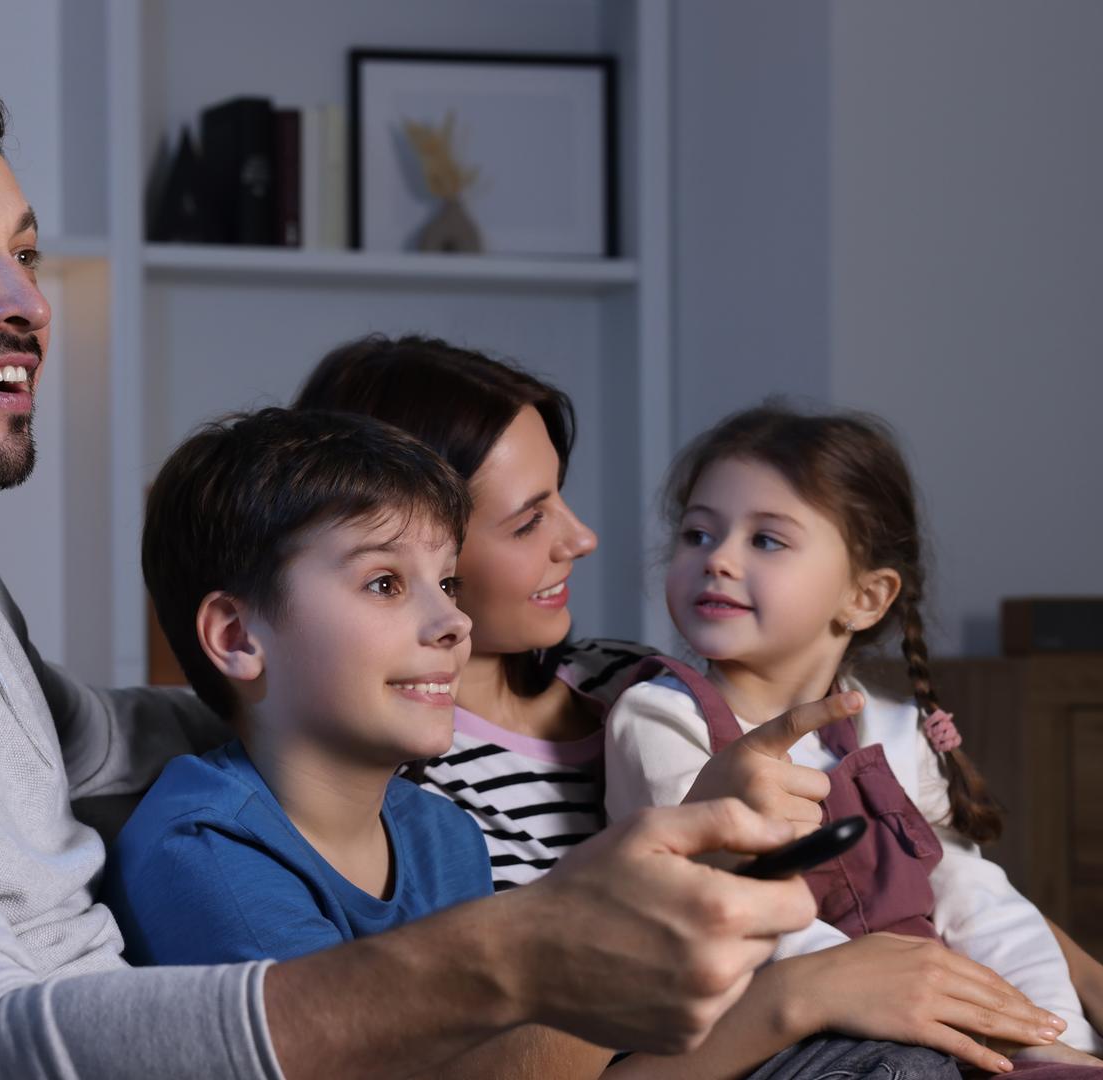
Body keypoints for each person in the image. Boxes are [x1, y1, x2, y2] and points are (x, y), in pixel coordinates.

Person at [0, 38, 825, 1079]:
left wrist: (446, 701)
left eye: (23, 253)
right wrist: (504, 961)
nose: (25, 301)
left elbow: (109, 741)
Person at [295, 335, 1076, 1076]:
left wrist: (1072, 1004)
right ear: (407, 549)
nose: (582, 538)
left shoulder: (624, 675)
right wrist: (806, 992)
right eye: (530, 519)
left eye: (561, 495)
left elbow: (944, 879)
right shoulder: (410, 799)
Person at [605, 403, 1103, 1070]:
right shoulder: (661, 719)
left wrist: (1051, 1037)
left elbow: (977, 900)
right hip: (765, 1033)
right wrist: (911, 1001)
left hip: (922, 1013)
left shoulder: (893, 730)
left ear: (865, 598)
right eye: (697, 534)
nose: (717, 559)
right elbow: (728, 913)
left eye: (766, 540)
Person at [107, 407, 492, 967]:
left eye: (448, 583)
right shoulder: (202, 853)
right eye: (384, 583)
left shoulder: (446, 835)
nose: (456, 622)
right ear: (237, 637)